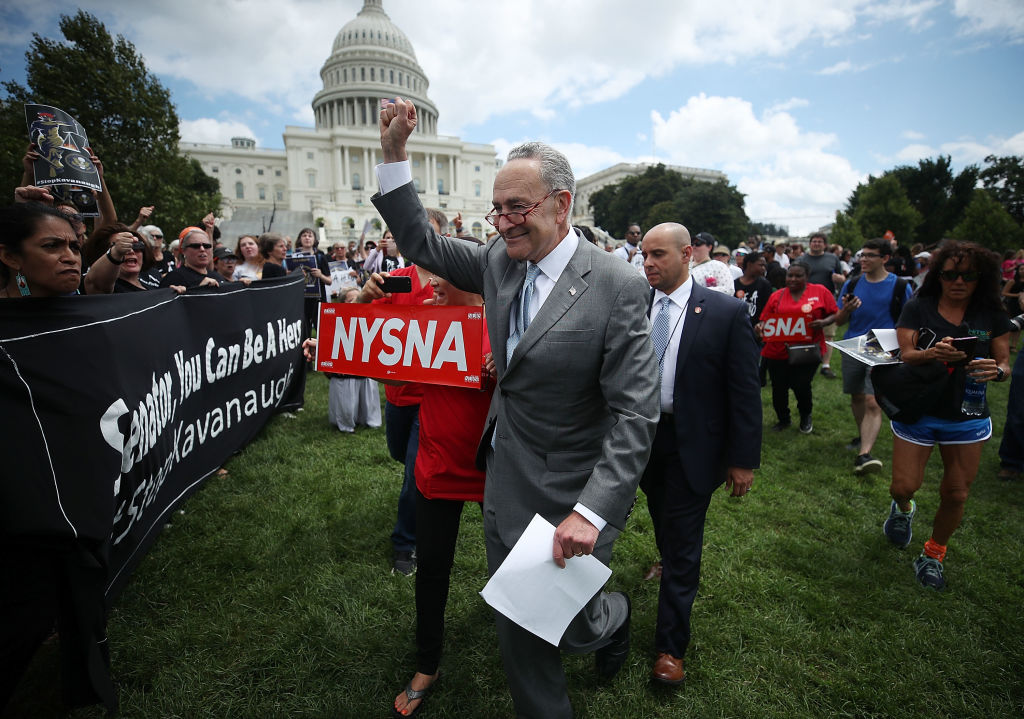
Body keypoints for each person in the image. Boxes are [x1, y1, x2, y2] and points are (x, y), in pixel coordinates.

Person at [372, 97, 658, 718]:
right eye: (496, 209)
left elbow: (637, 413)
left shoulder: (617, 285)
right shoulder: (498, 261)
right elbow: (419, 237)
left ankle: (612, 614)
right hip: (505, 481)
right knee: (523, 633)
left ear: (562, 204)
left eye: (517, 207)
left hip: (575, 494)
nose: (503, 222)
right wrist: (395, 153)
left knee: (574, 626)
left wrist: (591, 511)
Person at [638, 222, 761, 685]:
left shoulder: (726, 313)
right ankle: (667, 556)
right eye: (644, 255)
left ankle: (670, 649)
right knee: (664, 519)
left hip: (694, 445)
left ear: (687, 254)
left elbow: (745, 392)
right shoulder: (634, 305)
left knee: (684, 541)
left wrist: (743, 458)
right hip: (638, 440)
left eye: (658, 255)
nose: (648, 263)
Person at [390, 276, 495, 718]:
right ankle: (427, 663)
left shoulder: (514, 323)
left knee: (515, 565)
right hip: (437, 468)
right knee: (433, 567)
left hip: (497, 471)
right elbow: (394, 378)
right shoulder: (425, 323)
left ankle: (530, 649)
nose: (429, 281)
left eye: (442, 273)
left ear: (471, 280)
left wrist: (505, 368)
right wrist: (337, 356)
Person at [881, 241, 1010, 590]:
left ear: (981, 278)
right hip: (919, 408)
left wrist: (995, 371)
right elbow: (905, 353)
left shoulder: (990, 313)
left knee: (956, 493)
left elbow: (1004, 361)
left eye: (968, 275)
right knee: (903, 486)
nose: (958, 281)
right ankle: (903, 509)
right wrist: (931, 354)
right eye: (950, 274)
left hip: (967, 414)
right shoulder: (918, 306)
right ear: (938, 275)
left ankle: (933, 554)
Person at [836, 238, 913, 474]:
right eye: (862, 254)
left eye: (870, 255)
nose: (864, 259)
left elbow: (909, 321)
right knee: (857, 396)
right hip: (854, 344)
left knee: (872, 400)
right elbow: (839, 320)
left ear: (885, 258)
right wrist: (847, 310)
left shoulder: (900, 286)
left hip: (884, 345)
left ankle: (864, 454)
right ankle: (863, 437)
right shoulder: (853, 284)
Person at [758, 264, 843, 433]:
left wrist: (824, 322)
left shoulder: (820, 292)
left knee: (801, 385)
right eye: (790, 276)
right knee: (778, 387)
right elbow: (764, 320)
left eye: (798, 276)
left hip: (807, 351)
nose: (793, 279)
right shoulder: (777, 296)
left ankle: (805, 415)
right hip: (777, 351)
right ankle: (783, 419)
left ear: (807, 276)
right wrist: (759, 328)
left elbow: (836, 313)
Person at [796, 233, 846, 379]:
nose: (816, 244)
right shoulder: (801, 259)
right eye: (814, 241)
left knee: (828, 335)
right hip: (805, 302)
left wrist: (840, 279)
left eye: (819, 241)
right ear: (809, 243)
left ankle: (826, 365)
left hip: (827, 302)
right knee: (804, 334)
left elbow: (842, 277)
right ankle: (802, 361)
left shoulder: (833, 258)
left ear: (825, 244)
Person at [82, 224, 167, 293]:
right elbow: (95, 281)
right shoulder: (104, 286)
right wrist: (115, 253)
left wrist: (173, 293)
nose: (131, 251)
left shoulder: (152, 281)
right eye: (120, 247)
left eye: (136, 246)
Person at [159, 227, 226, 289]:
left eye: (206, 246)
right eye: (196, 246)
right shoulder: (174, 278)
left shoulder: (217, 277)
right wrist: (198, 289)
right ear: (183, 251)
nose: (202, 249)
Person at [734, 251, 772, 326]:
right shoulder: (734, 284)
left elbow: (768, 309)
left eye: (764, 266)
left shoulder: (765, 285)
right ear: (749, 264)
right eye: (760, 265)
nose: (763, 268)